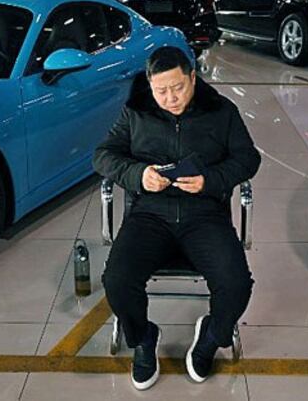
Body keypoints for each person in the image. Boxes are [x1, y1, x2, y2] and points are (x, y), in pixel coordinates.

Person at [92, 46, 261, 390]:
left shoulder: (221, 111)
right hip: (149, 215)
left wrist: (209, 181)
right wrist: (138, 174)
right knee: (117, 281)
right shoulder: (136, 112)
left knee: (236, 284)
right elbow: (103, 156)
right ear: (150, 86)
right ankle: (143, 338)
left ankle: (211, 337)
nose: (170, 98)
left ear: (193, 79)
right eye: (161, 90)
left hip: (205, 215)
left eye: (178, 88)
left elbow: (248, 159)